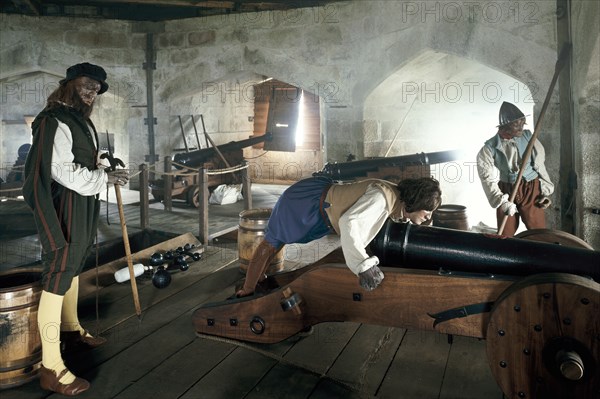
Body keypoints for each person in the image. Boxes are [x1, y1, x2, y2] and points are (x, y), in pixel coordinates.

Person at [23, 62, 129, 396]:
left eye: (96, 89)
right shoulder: (54, 119)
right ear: (69, 84)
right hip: (63, 205)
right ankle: (51, 367)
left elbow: (81, 162)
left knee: (75, 262)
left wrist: (104, 166)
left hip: (83, 203)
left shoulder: (81, 121)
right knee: (59, 272)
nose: (91, 93)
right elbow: (60, 171)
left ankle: (69, 328)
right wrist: (103, 178)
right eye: (86, 85)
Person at [235, 176, 442, 297]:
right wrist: (363, 266)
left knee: (277, 241)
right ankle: (247, 289)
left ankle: (259, 279)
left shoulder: (393, 197)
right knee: (272, 242)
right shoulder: (381, 199)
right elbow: (349, 223)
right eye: (427, 212)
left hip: (317, 203)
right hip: (305, 203)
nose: (427, 218)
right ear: (415, 203)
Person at [476, 101, 554, 237]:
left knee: (539, 233)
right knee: (504, 234)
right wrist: (501, 200)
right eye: (516, 124)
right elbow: (486, 176)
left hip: (531, 188)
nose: (521, 127)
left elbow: (540, 163)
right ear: (505, 126)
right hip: (506, 191)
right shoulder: (489, 148)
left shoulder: (529, 137)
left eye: (522, 123)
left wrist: (545, 190)